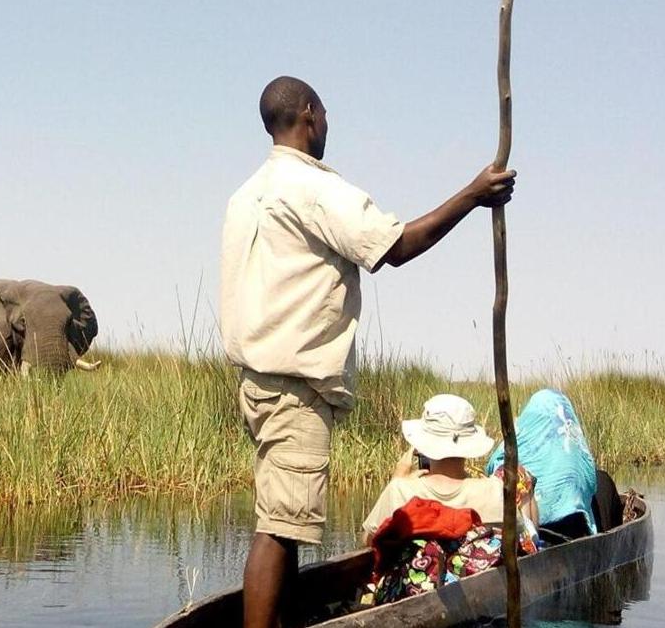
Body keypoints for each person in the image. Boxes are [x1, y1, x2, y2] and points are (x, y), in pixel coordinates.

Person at [220, 76, 517, 628]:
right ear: (309, 115)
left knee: (281, 520)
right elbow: (396, 247)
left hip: (256, 383)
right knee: (282, 528)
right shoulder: (312, 189)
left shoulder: (247, 194)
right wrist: (473, 196)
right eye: (326, 115)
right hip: (294, 386)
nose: (328, 126)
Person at [359, 394, 538, 605]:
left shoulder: (401, 490)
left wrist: (396, 479)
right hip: (481, 598)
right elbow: (524, 538)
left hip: (411, 595)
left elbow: (369, 541)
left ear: (422, 446)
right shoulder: (494, 490)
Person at [485, 388, 623, 540]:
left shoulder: (515, 470)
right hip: (575, 532)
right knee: (602, 480)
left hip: (534, 537)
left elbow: (493, 465)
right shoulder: (590, 474)